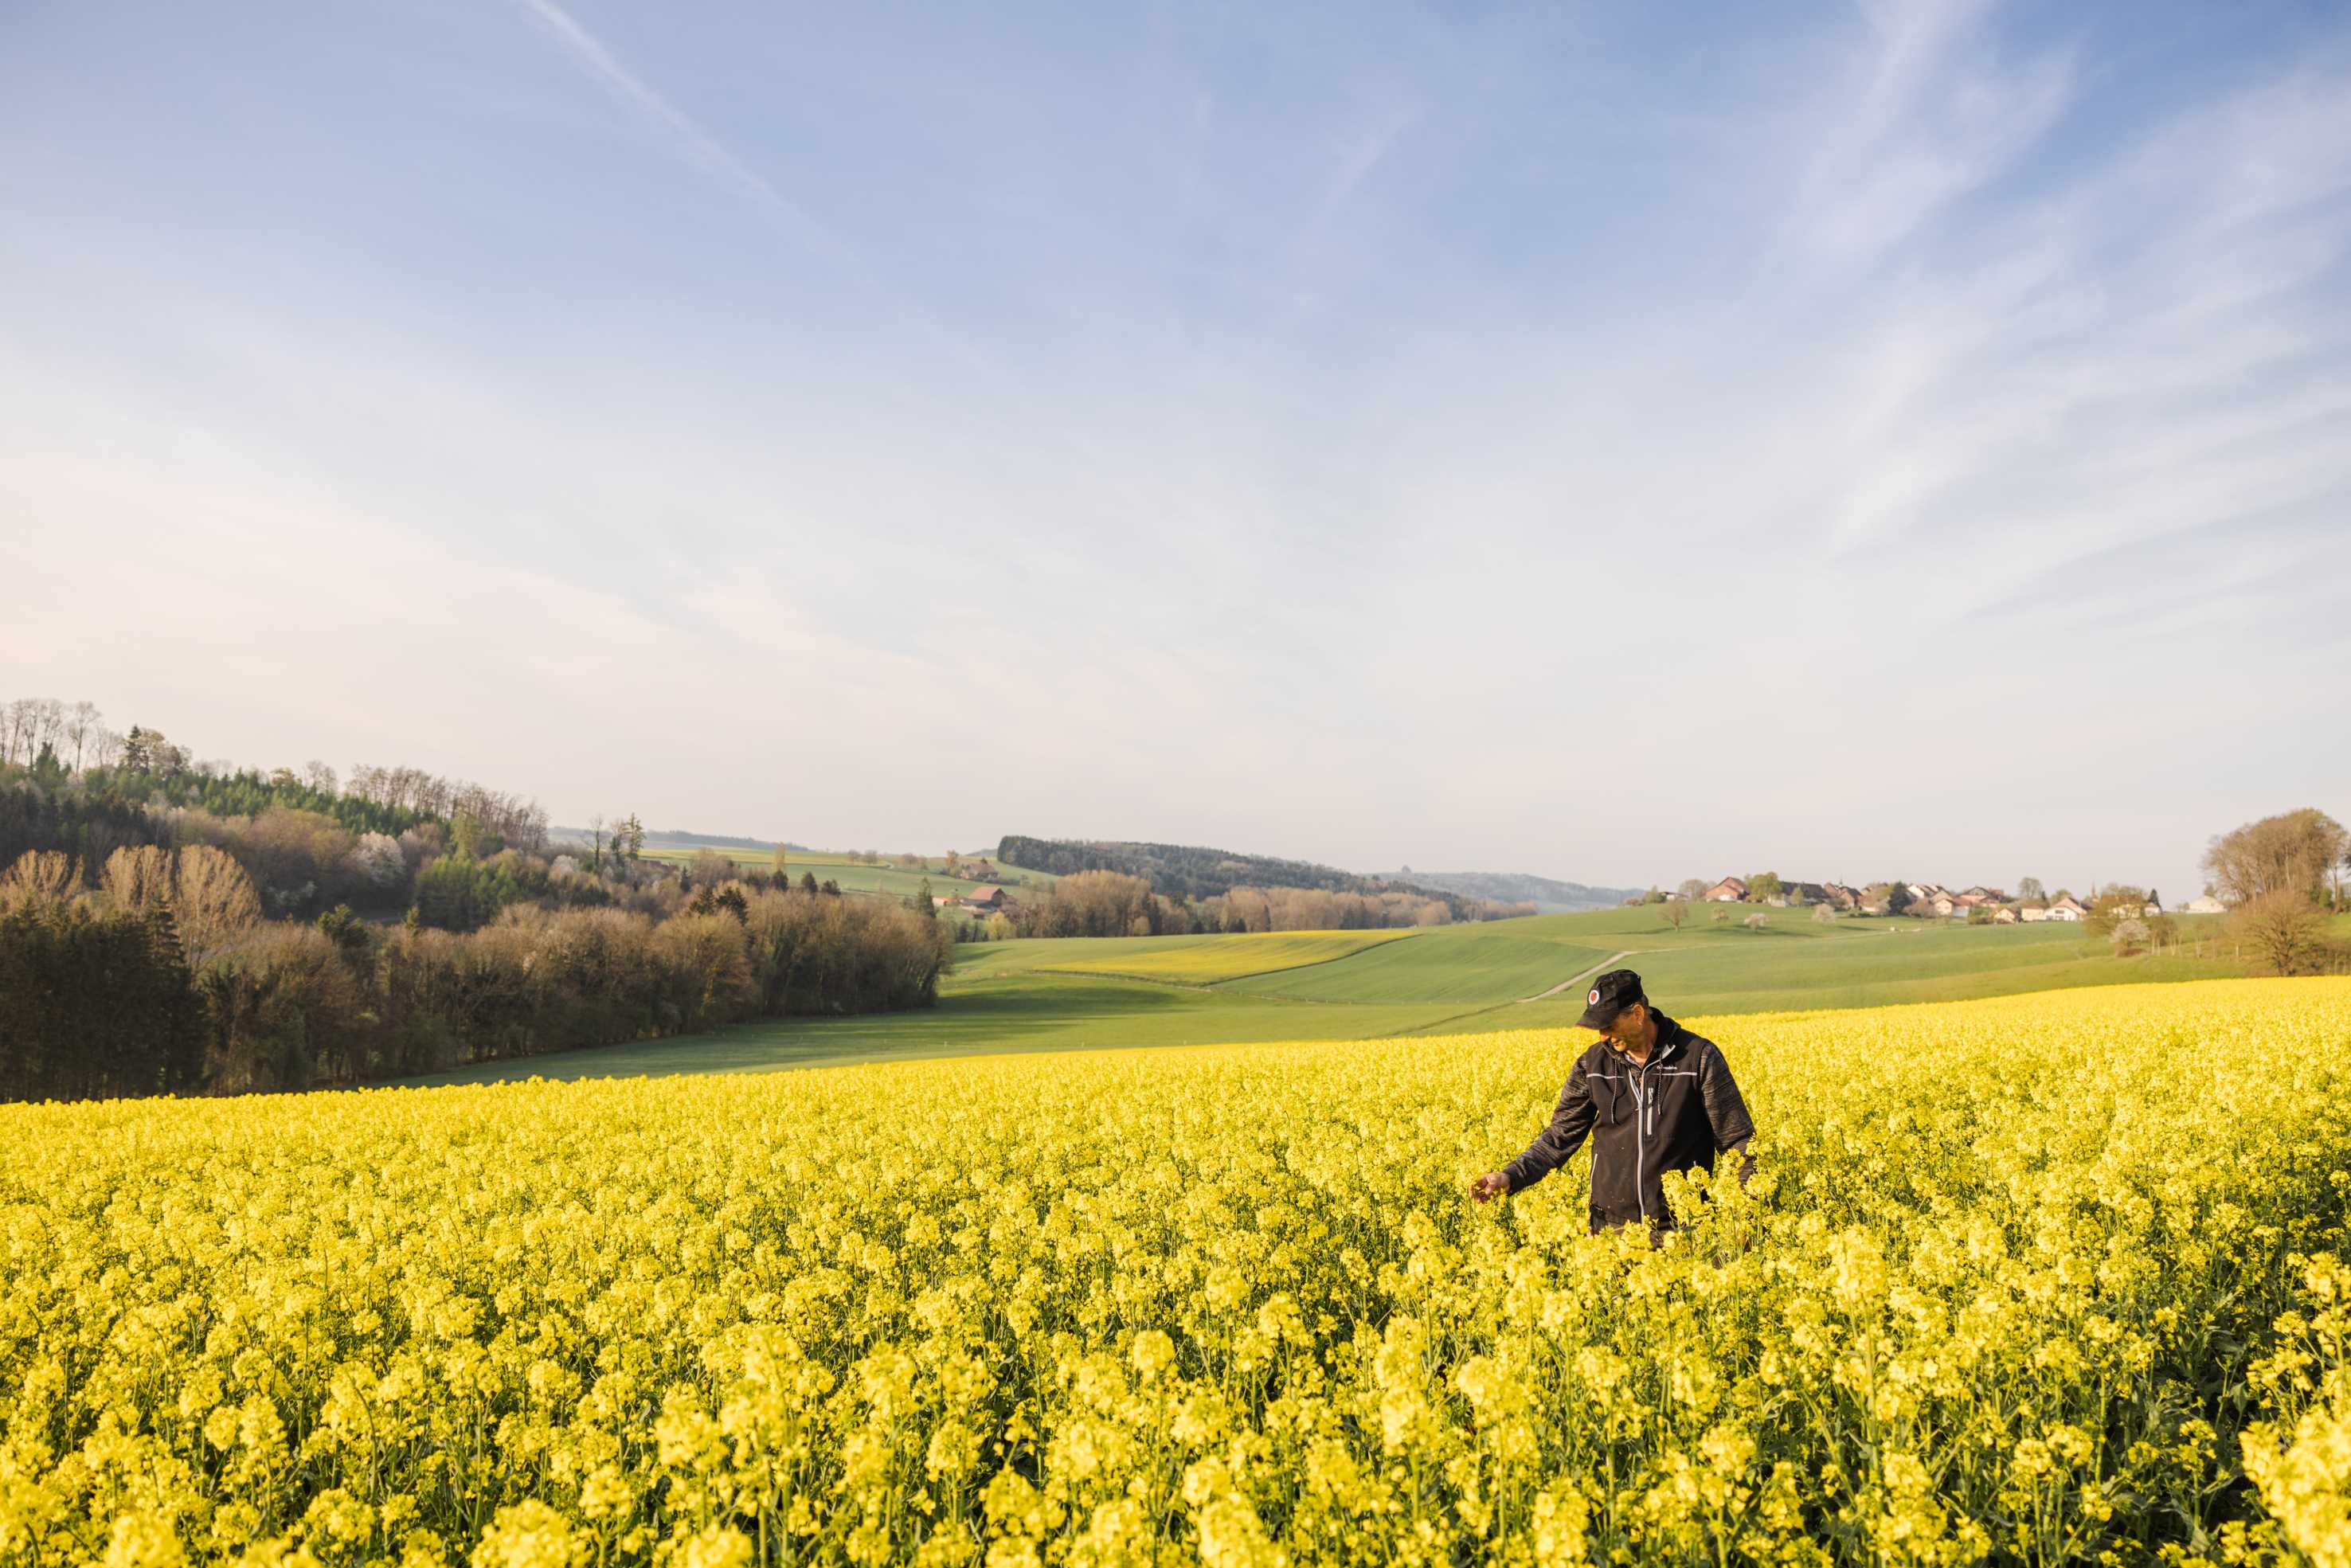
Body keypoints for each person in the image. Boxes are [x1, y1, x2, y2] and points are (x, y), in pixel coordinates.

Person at [1469, 968, 1754, 1234]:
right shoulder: (1591, 1066)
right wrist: (1509, 1177)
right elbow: (1559, 1138)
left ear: (1638, 1013)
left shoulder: (1697, 1058)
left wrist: (1743, 1217)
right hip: (1611, 1231)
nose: (1603, 1036)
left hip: (1684, 1229)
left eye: (1608, 1025)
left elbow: (1738, 1141)